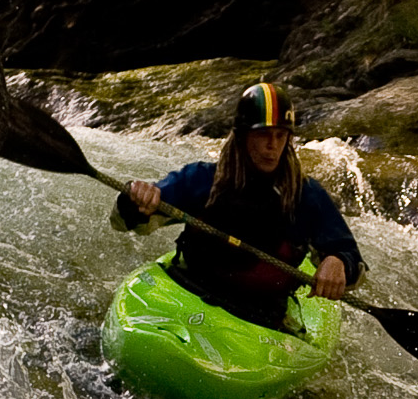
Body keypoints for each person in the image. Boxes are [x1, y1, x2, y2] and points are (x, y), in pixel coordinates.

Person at [114, 81, 365, 329]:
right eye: (264, 135)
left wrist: (339, 261)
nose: (273, 146)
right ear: (244, 136)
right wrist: (137, 198)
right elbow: (125, 222)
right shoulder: (204, 180)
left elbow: (353, 261)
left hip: (261, 313)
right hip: (189, 288)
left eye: (281, 136)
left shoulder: (306, 196)